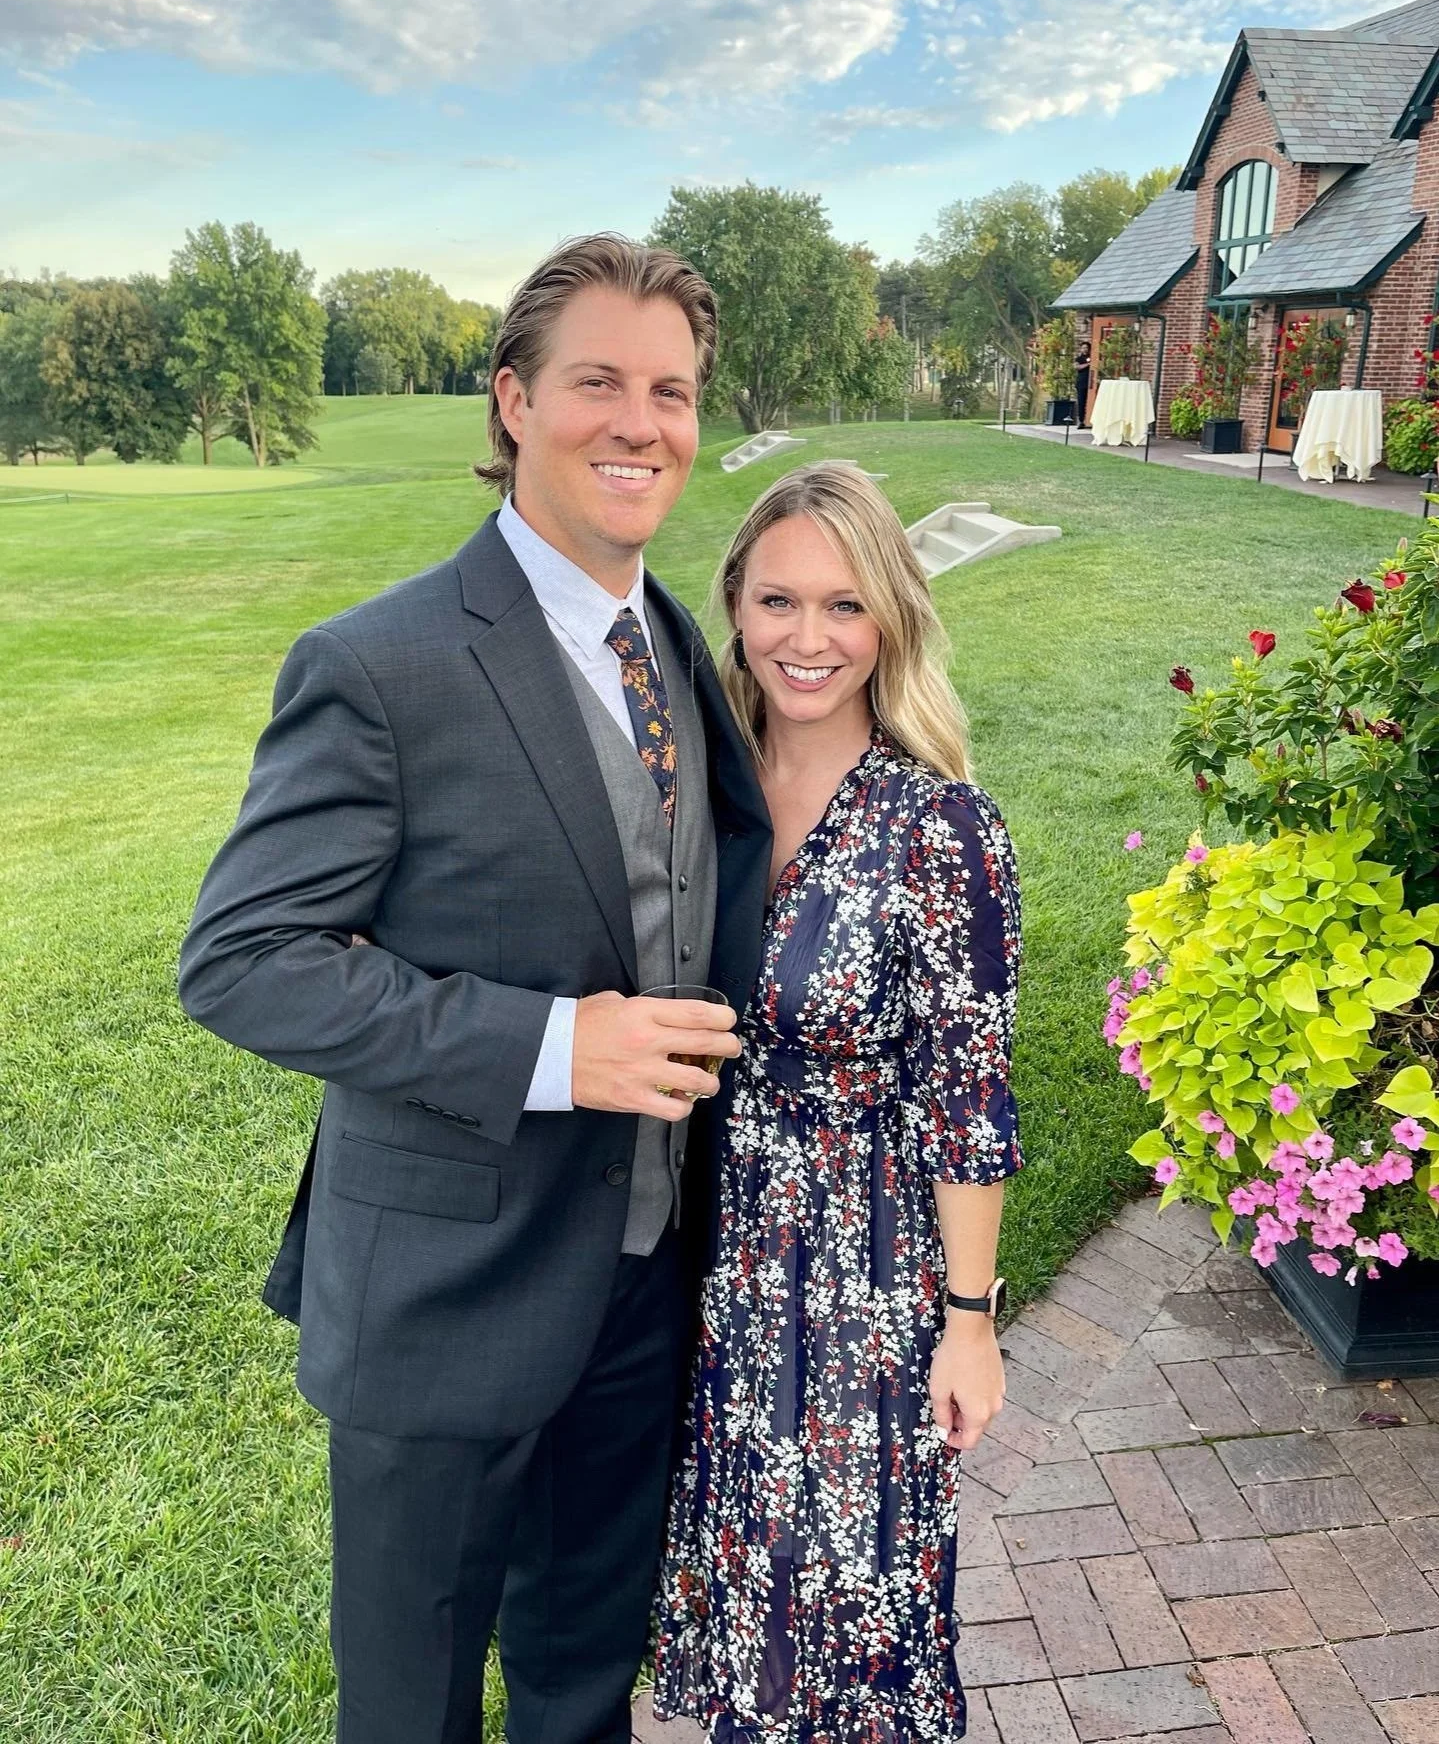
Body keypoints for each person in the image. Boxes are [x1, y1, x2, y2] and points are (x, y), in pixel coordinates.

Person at [177, 234, 772, 1744]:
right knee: (412, 1704)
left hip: (641, 1277)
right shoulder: (380, 664)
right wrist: (554, 1044)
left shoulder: (673, 638)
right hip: (444, 1299)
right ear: (512, 400)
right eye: (597, 382)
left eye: (673, 390)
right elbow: (240, 959)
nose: (640, 422)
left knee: (581, 1683)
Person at [653, 461, 1022, 1743]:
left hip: (861, 1281)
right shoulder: (693, 794)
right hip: (706, 1263)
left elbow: (968, 1102)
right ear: (734, 610)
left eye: (844, 605)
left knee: (849, 1613)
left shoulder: (943, 831)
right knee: (739, 1592)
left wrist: (967, 1323)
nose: (807, 638)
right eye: (776, 601)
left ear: (892, 622)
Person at [1074, 339, 1092, 426]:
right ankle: (1081, 421)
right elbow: (1077, 367)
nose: (1085, 349)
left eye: (1087, 348)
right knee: (1081, 402)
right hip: (1081, 383)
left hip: (1091, 382)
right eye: (1083, 348)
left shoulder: (1092, 357)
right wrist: (1088, 364)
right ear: (1081, 349)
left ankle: (1091, 420)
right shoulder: (1079, 358)